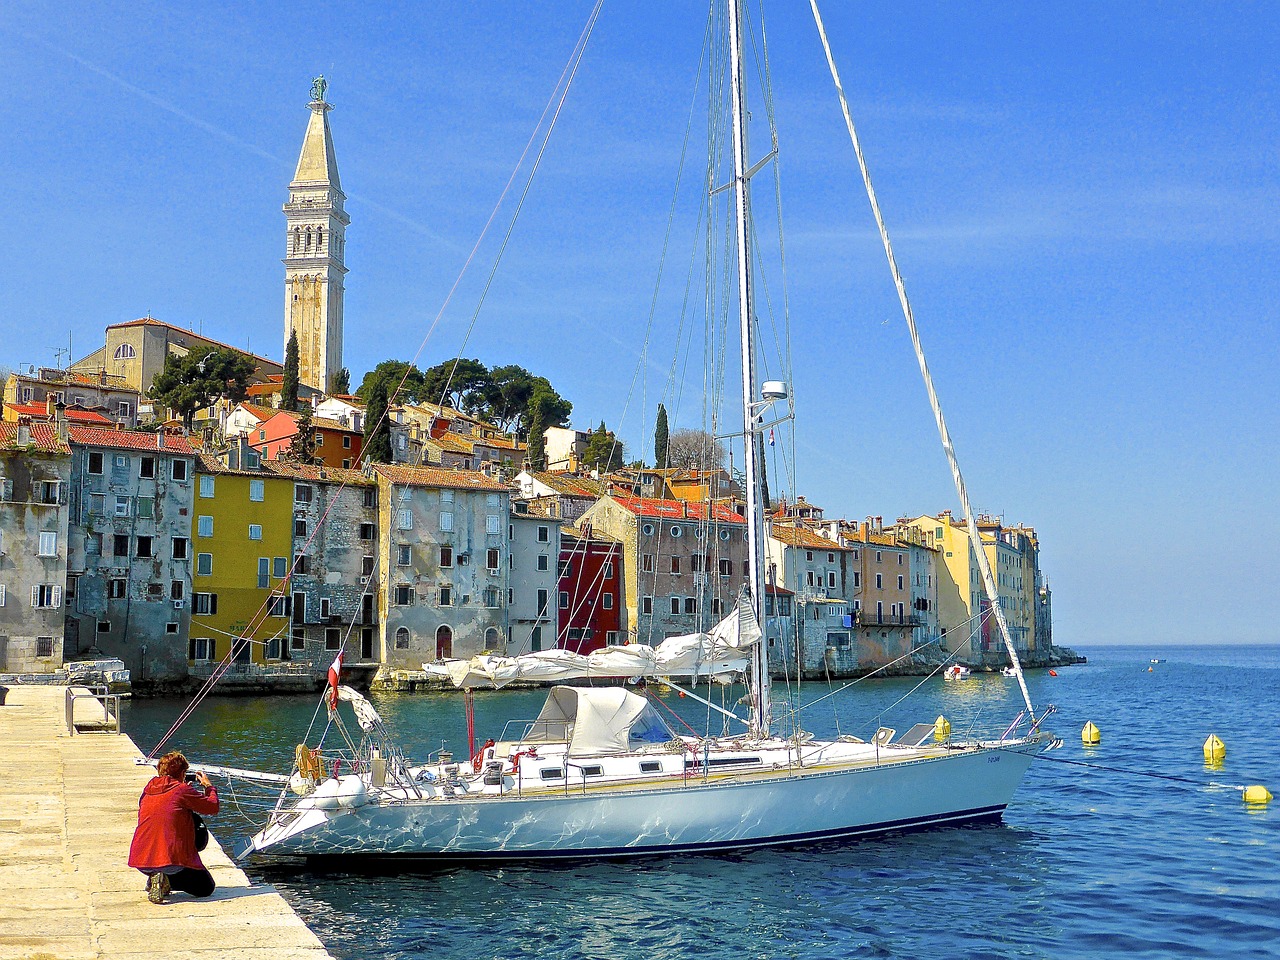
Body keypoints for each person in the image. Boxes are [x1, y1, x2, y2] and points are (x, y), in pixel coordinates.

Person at [127, 750, 220, 904]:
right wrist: (208, 787)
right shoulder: (182, 790)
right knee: (206, 887)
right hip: (170, 860)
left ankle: (156, 876)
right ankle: (166, 879)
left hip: (142, 860)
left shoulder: (148, 789)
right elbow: (212, 806)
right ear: (182, 772)